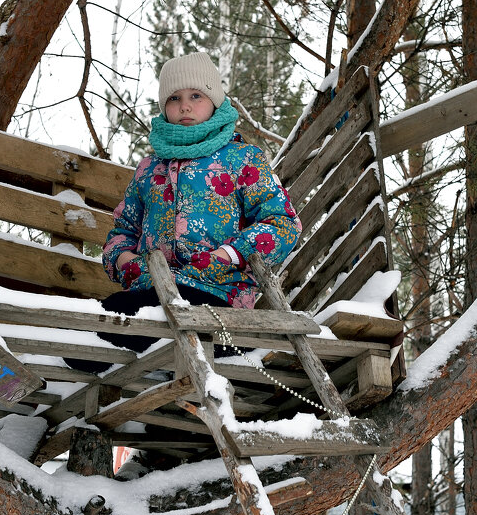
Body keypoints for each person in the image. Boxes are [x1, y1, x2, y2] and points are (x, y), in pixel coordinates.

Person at [66, 52, 301, 373]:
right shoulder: (149, 169)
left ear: (215, 101)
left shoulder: (242, 158)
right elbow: (122, 231)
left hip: (218, 295)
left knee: (184, 324)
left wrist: (228, 254)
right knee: (90, 331)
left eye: (196, 95)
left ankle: (174, 369)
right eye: (174, 98)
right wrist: (123, 259)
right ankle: (140, 380)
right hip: (151, 291)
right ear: (164, 107)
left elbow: (284, 223)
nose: (185, 106)